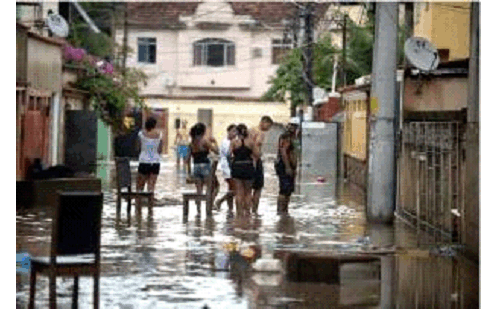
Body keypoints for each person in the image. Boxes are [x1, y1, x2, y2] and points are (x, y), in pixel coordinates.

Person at [185, 123, 219, 213]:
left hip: (195, 167)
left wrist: (189, 173)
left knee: (199, 191)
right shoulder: (205, 141)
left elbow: (187, 159)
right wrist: (215, 142)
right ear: (203, 131)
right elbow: (216, 151)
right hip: (205, 166)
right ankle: (209, 208)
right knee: (212, 188)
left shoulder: (191, 143)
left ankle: (198, 211)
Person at [230, 124, 258, 217]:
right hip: (248, 167)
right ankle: (247, 212)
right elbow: (257, 154)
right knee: (248, 192)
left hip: (237, 167)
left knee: (238, 191)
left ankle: (239, 213)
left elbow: (229, 155)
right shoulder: (251, 142)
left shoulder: (234, 142)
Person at [248, 116, 274, 215]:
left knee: (247, 188)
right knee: (258, 188)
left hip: (247, 160)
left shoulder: (250, 130)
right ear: (264, 122)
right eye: (269, 126)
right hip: (255, 160)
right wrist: (258, 157)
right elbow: (257, 145)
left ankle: (246, 211)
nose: (269, 129)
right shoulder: (260, 133)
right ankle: (254, 210)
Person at [136, 117, 163, 207]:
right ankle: (150, 208)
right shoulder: (159, 135)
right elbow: (160, 150)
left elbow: (138, 148)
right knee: (151, 187)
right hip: (155, 162)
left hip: (143, 161)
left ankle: (138, 209)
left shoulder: (141, 134)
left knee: (140, 186)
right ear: (154, 125)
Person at [215, 124, 237, 211]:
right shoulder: (226, 142)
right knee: (235, 189)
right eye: (233, 131)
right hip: (227, 168)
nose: (235, 134)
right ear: (228, 132)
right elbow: (229, 155)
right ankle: (220, 201)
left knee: (231, 188)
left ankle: (230, 208)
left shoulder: (231, 142)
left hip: (229, 167)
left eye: (236, 132)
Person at [275, 132, 297, 214]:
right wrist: (288, 166)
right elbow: (283, 152)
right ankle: (281, 210)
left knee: (288, 190)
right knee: (284, 189)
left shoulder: (289, 140)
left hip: (288, 165)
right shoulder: (285, 139)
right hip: (284, 166)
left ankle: (284, 210)